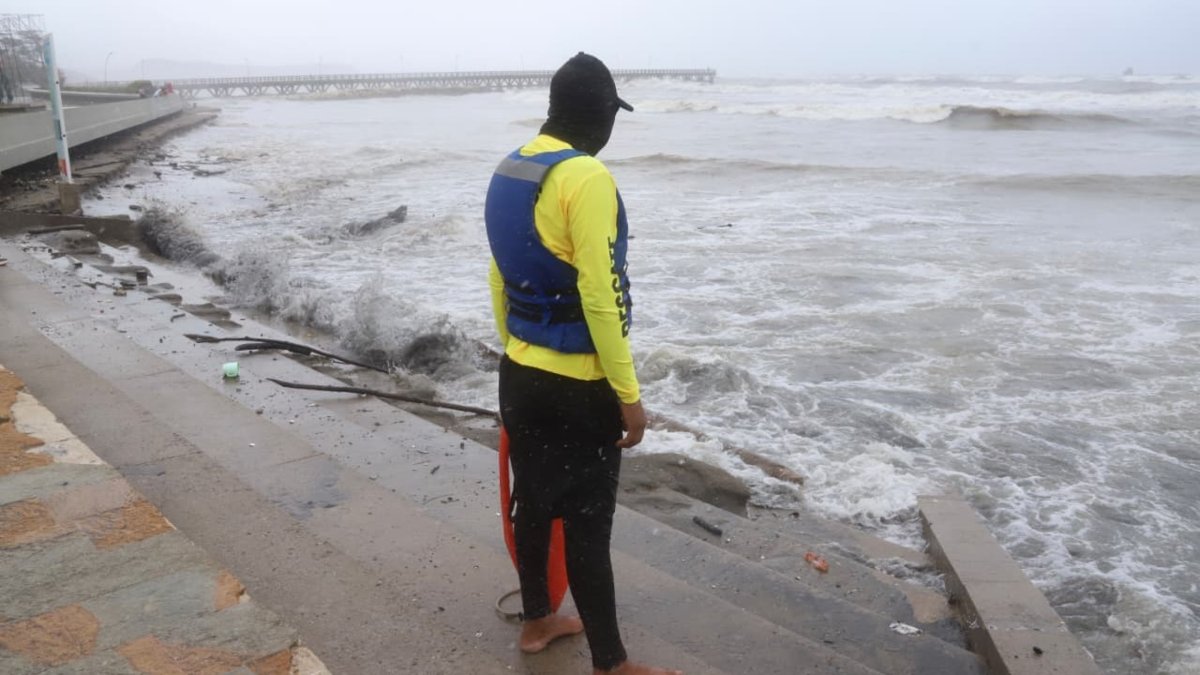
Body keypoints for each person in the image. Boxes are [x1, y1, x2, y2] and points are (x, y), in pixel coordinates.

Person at [485, 53, 681, 675]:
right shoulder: (585, 177)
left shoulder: (511, 168)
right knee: (590, 527)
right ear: (600, 113)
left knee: (534, 503)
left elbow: (499, 273)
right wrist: (628, 394)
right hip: (579, 385)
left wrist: (518, 348)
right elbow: (599, 293)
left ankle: (539, 620)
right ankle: (612, 663)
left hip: (519, 372)